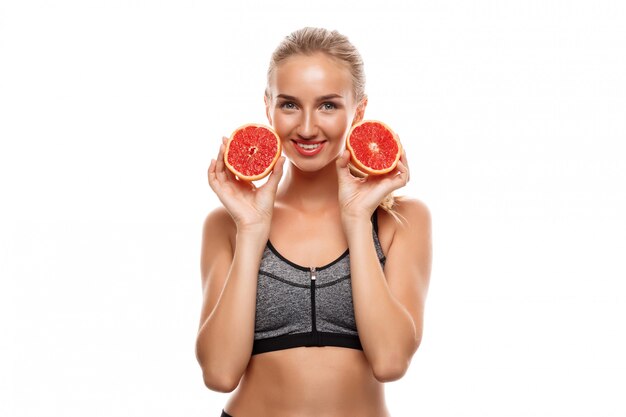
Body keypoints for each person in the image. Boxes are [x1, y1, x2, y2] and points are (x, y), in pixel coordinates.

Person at [195, 26, 432, 417]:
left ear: (358, 110)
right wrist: (253, 230)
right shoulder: (227, 224)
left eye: (328, 105)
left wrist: (356, 218)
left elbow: (391, 361)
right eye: (289, 105)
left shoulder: (401, 221)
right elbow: (219, 374)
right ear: (267, 106)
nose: (306, 127)